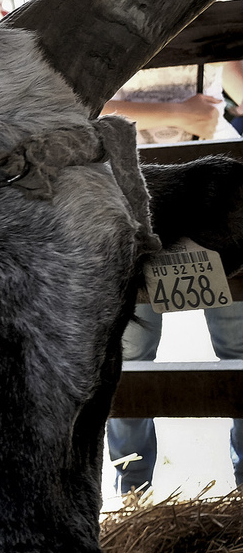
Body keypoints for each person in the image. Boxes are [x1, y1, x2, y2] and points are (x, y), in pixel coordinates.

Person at [102, 64, 243, 493]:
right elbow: (84, 101)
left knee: (238, 348)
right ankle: (133, 486)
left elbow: (233, 69)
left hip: (214, 198)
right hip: (132, 196)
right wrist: (179, 114)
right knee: (128, 359)